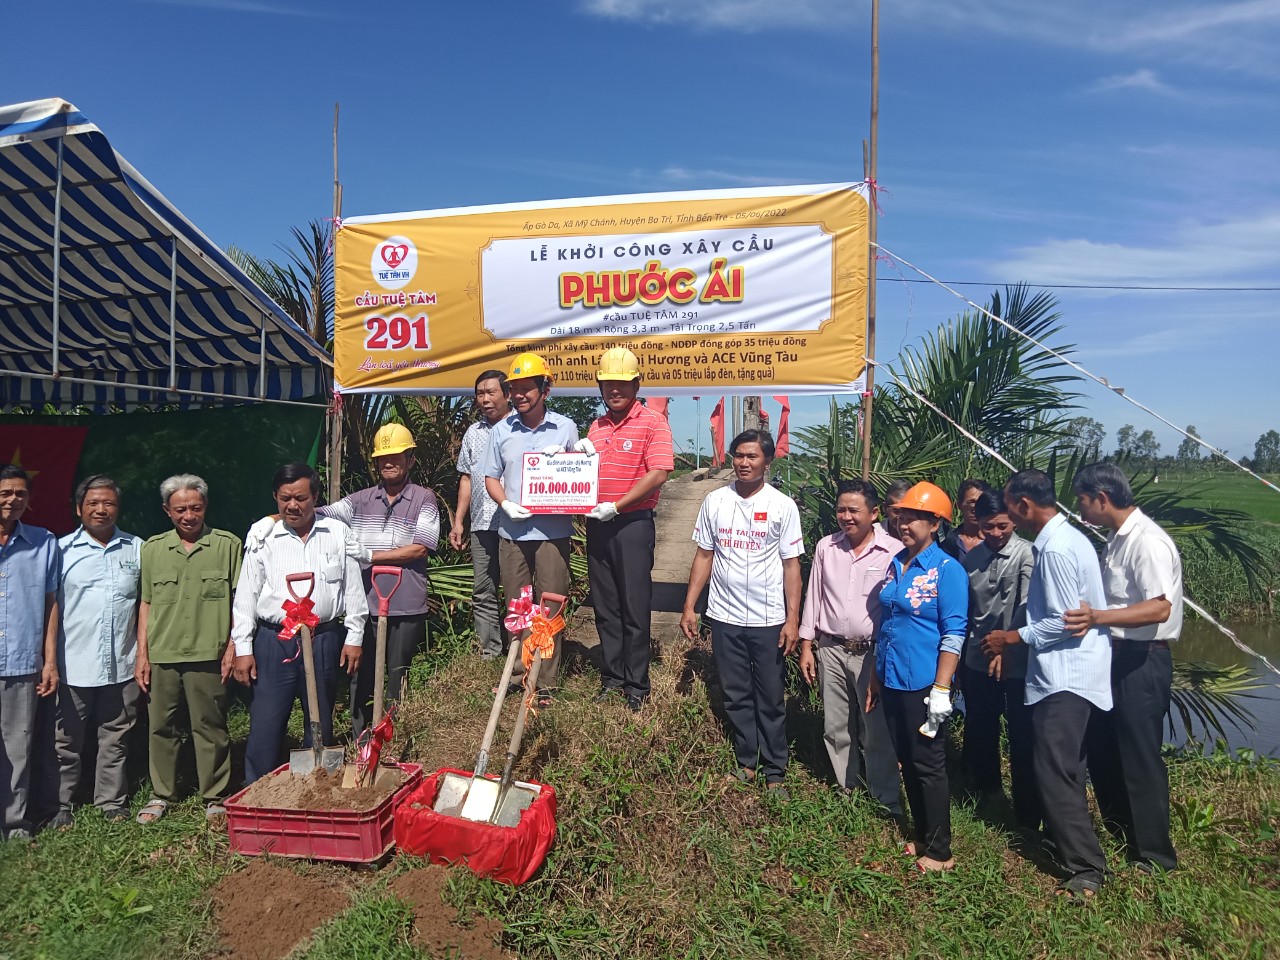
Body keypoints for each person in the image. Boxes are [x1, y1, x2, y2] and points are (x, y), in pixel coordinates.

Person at [982, 469, 1112, 901]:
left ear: (1023, 504)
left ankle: (1086, 868)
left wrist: (1011, 638)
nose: (1010, 517)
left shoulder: (1055, 549)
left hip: (1065, 677)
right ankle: (1065, 843)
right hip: (1074, 673)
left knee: (1054, 770)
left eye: (1010, 507)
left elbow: (1065, 621)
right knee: (1066, 768)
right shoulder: (1068, 539)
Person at [1067, 462, 1181, 873]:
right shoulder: (1116, 539)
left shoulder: (1147, 541)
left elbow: (1159, 607)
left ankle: (1155, 856)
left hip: (1141, 659)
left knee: (1139, 755)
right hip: (1114, 656)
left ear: (1102, 498)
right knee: (1104, 747)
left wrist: (1097, 617)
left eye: (1082, 500)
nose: (1080, 509)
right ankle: (1122, 833)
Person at [681, 430, 804, 799]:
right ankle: (747, 760)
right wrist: (690, 605)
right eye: (738, 455)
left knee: (770, 696)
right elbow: (704, 555)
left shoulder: (782, 506)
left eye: (752, 456)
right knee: (735, 693)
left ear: (768, 461)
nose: (744, 463)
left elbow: (792, 566)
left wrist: (792, 619)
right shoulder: (715, 501)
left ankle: (775, 770)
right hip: (724, 615)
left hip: (768, 619)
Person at [233, 463, 368, 783]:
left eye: (301, 498)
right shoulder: (263, 536)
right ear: (276, 498)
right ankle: (258, 791)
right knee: (266, 721)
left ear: (316, 497)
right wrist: (243, 647)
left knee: (319, 720)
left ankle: (316, 789)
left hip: (323, 639)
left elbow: (353, 588)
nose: (292, 505)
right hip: (274, 641)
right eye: (285, 498)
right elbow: (247, 594)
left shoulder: (337, 533)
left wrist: (354, 637)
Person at [873, 481, 968, 872]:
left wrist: (942, 687)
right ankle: (923, 834)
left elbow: (954, 632)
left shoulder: (947, 570)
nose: (904, 525)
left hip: (925, 683)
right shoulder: (897, 562)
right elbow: (887, 621)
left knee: (928, 763)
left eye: (913, 518)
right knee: (907, 759)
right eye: (901, 517)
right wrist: (876, 674)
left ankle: (941, 850)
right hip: (892, 676)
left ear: (935, 523)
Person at [136, 475, 241, 824]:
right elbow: (146, 603)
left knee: (210, 726)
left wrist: (233, 646)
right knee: (160, 727)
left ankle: (215, 795)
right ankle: (162, 794)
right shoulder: (152, 549)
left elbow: (238, 602)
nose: (189, 516)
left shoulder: (227, 545)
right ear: (167, 511)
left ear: (205, 506)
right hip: (163, 652)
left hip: (208, 653)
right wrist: (142, 655)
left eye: (195, 507)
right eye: (180, 509)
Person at [321, 424, 439, 736]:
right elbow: (317, 514)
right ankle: (361, 737)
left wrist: (370, 556)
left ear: (410, 460)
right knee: (360, 673)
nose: (388, 463)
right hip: (365, 604)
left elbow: (421, 547)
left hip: (406, 603)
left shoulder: (424, 499)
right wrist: (277, 516)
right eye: (383, 458)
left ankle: (392, 735)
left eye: (396, 457)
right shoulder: (359, 500)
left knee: (398, 673)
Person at [484, 352, 587, 704]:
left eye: (527, 388)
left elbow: (580, 473)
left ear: (545, 389)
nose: (520, 395)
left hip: (552, 533)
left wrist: (580, 456)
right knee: (517, 606)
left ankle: (546, 681)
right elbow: (490, 477)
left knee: (550, 607)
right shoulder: (501, 430)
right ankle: (517, 673)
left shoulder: (565, 427)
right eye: (515, 389)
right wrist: (504, 503)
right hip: (512, 534)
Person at [797, 479, 902, 815]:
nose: (846, 516)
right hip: (830, 649)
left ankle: (886, 799)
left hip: (871, 653)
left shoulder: (894, 551)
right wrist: (806, 644)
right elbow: (814, 595)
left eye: (854, 510)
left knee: (876, 729)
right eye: (841, 510)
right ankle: (848, 790)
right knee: (835, 726)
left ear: (874, 513)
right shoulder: (826, 547)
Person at [585, 348, 675, 711]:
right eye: (608, 384)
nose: (615, 390)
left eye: (622, 384)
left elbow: (659, 473)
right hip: (598, 524)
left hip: (632, 524)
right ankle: (613, 677)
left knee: (634, 605)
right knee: (605, 604)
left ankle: (637, 684)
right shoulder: (596, 427)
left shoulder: (653, 422)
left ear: (637, 385)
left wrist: (618, 505)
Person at [53, 475, 143, 827]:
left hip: (122, 662)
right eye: (93, 503)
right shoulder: (60, 551)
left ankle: (111, 801)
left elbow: (145, 604)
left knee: (115, 737)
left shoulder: (136, 548)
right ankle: (60, 804)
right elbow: (50, 607)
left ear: (118, 508)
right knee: (65, 741)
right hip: (72, 663)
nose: (101, 509)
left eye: (108, 503)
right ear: (79, 509)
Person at [959, 488, 1040, 832]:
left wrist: (1007, 649)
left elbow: (1026, 606)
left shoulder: (1027, 554)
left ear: (1013, 522)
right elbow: (966, 612)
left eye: (1002, 526)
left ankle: (1027, 812)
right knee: (981, 727)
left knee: (1023, 735)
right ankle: (987, 791)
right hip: (978, 659)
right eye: (988, 526)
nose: (995, 533)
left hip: (1019, 663)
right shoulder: (970, 560)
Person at [0, 465, 60, 840]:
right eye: (5, 492)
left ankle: (15, 823)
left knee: (17, 747)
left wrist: (49, 661)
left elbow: (51, 603)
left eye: (20, 493)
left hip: (22, 662)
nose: (13, 500)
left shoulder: (43, 542)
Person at [450, 370, 512, 660]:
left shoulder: (521, 428)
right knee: (483, 589)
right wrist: (458, 521)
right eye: (480, 393)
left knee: (517, 590)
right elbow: (466, 478)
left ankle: (520, 649)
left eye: (491, 392)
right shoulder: (473, 433)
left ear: (507, 394)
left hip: (515, 524)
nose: (485, 399)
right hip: (481, 523)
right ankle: (491, 652)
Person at [942, 479, 991, 560]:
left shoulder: (996, 540)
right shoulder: (950, 542)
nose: (977, 507)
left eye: (981, 502)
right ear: (959, 505)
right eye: (972, 502)